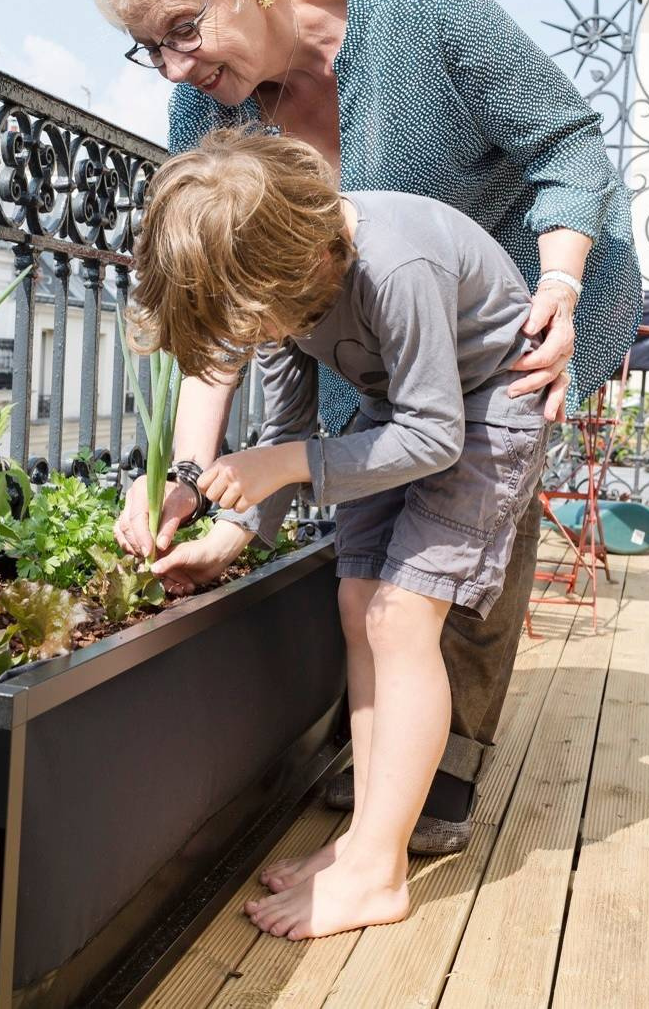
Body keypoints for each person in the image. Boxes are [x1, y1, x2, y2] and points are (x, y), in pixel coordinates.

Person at [86, 0, 640, 853]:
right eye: (146, 47)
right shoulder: (204, 103)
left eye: (181, 32)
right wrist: (184, 475)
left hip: (519, 289)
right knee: (381, 545)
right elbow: (226, 303)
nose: (172, 69)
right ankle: (390, 738)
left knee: (469, 509)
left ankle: (442, 766)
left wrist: (557, 284)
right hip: (361, 306)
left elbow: (566, 144)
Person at [126, 129, 546, 939]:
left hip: (487, 409)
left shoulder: (397, 265)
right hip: (405, 412)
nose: (259, 338)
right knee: (359, 602)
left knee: (401, 615)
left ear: (312, 257)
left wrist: (282, 464)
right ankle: (362, 842)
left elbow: (436, 439)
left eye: (261, 322)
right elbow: (288, 422)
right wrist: (228, 526)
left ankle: (380, 873)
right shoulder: (284, 281)